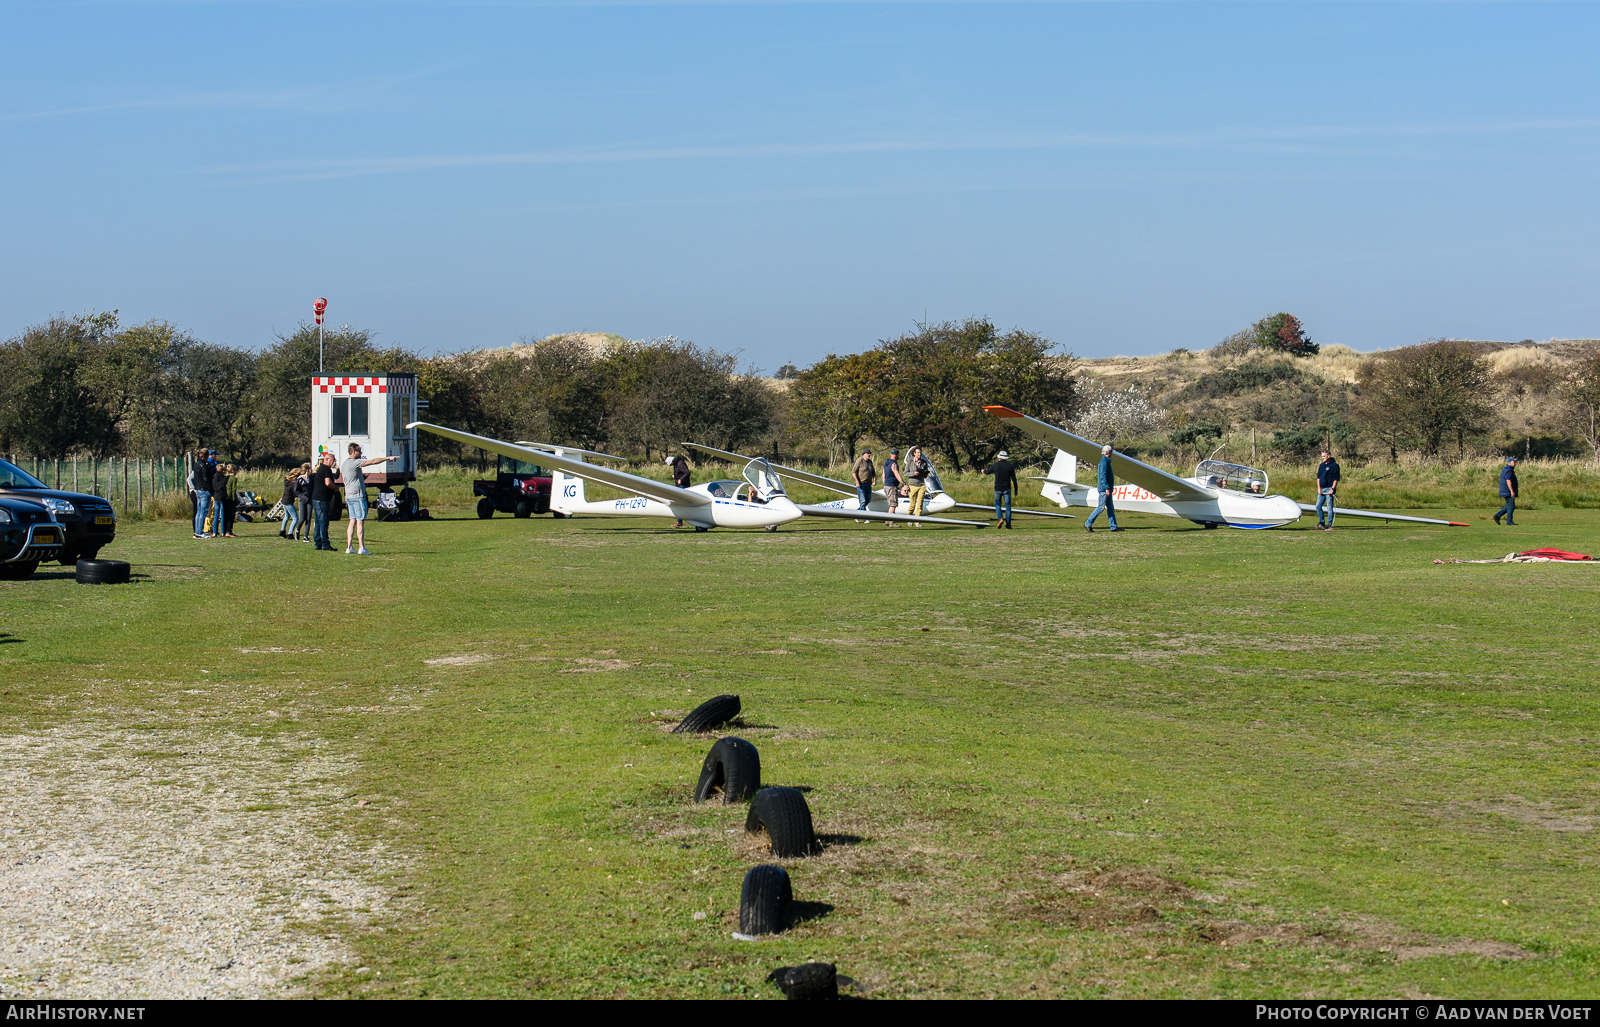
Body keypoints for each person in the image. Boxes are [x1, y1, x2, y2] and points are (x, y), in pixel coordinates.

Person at [342, 443, 398, 554]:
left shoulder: (345, 463)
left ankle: (350, 547)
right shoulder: (355, 462)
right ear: (353, 452)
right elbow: (372, 462)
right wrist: (388, 458)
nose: (361, 453)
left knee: (352, 520)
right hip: (357, 496)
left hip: (349, 495)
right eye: (359, 451)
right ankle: (361, 547)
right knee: (360, 521)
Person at [1086, 444, 1121, 533]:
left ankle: (1113, 526)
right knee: (1101, 507)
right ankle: (1088, 523)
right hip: (1104, 489)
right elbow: (1102, 476)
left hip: (1106, 489)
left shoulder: (1105, 462)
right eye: (1111, 452)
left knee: (1110, 508)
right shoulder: (1104, 463)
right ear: (1108, 452)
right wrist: (1107, 488)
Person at [310, 453, 338, 550]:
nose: (334, 461)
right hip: (322, 499)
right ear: (327, 459)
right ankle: (325, 544)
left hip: (316, 498)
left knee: (318, 522)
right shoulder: (326, 469)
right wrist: (336, 488)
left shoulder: (320, 468)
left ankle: (318, 543)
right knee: (323, 522)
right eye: (333, 459)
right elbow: (328, 483)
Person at [984, 450, 1017, 529]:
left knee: (997, 504)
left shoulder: (995, 465)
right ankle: (1008, 525)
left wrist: (983, 471)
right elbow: (1014, 479)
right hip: (1007, 488)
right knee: (1008, 506)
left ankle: (1000, 518)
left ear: (999, 457)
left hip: (998, 488)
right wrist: (1016, 489)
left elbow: (988, 472)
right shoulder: (1010, 466)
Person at [190, 451, 214, 540]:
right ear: (207, 456)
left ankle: (197, 531)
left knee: (199, 512)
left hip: (198, 489)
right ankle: (199, 532)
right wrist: (211, 490)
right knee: (203, 512)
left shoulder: (196, 464)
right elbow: (206, 479)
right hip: (204, 490)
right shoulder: (204, 466)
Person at [1314, 450, 1341, 531]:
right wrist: (1319, 488)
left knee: (1329, 507)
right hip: (1322, 489)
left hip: (1329, 488)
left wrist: (1332, 489)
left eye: (1324, 456)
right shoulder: (1321, 465)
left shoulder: (1334, 465)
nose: (1323, 458)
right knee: (1318, 506)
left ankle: (1329, 524)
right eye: (1322, 456)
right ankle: (1321, 523)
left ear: (1329, 456)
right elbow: (1318, 478)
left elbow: (1336, 479)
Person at [905, 447, 933, 524]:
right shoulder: (909, 462)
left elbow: (925, 472)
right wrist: (913, 474)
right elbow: (905, 473)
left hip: (922, 485)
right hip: (913, 485)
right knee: (912, 505)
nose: (919, 454)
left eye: (920, 452)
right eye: (918, 452)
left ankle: (917, 521)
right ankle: (909, 519)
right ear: (914, 453)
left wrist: (925, 475)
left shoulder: (924, 462)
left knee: (920, 504)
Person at [667, 454, 691, 527]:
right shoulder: (676, 464)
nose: (671, 465)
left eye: (670, 464)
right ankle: (679, 521)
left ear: (672, 462)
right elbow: (680, 472)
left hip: (683, 486)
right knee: (680, 504)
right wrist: (675, 476)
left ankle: (679, 521)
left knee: (680, 503)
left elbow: (687, 472)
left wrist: (680, 479)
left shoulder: (680, 464)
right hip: (680, 486)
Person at [278, 468, 301, 539]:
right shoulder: (293, 484)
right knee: (295, 518)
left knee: (287, 516)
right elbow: (296, 494)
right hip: (289, 502)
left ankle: (282, 530)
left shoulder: (287, 480)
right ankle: (290, 533)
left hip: (284, 500)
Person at [292, 462, 313, 541]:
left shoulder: (311, 478)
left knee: (308, 518)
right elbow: (296, 491)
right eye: (310, 469)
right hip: (302, 500)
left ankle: (306, 536)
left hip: (310, 500)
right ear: (307, 470)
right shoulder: (300, 480)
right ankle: (297, 531)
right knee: (302, 518)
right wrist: (303, 497)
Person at [1495, 457, 1519, 526]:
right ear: (1509, 463)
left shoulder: (1505, 469)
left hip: (1505, 490)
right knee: (1511, 506)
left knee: (1510, 505)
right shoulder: (1509, 470)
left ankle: (1498, 515)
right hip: (1507, 491)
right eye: (1513, 462)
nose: (1515, 463)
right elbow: (1508, 480)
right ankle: (1509, 521)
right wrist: (1512, 491)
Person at [881, 448, 903, 518]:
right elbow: (896, 473)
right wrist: (903, 482)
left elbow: (883, 474)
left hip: (886, 485)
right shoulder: (893, 464)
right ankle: (891, 521)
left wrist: (884, 483)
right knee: (893, 505)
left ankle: (888, 520)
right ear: (897, 455)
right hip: (892, 486)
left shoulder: (886, 463)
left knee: (891, 504)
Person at [219, 463, 239, 537]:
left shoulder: (225, 478)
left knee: (225, 515)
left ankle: (224, 531)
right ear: (233, 471)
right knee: (231, 515)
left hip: (224, 498)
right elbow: (233, 490)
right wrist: (234, 499)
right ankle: (229, 531)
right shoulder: (233, 479)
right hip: (230, 498)